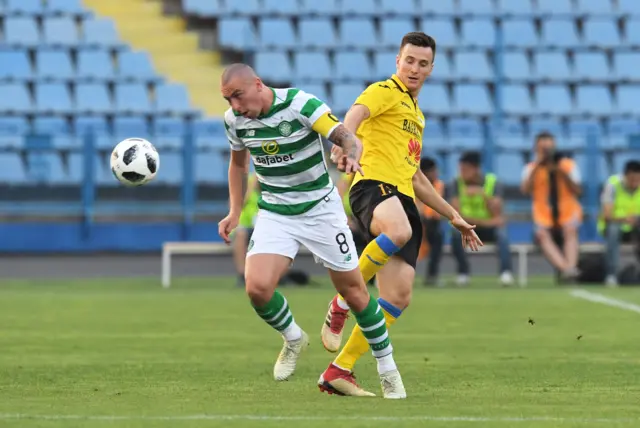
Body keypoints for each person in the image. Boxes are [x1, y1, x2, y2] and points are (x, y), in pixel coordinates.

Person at [217, 63, 406, 398]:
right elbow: (238, 164)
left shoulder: (300, 104)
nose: (234, 106)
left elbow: (345, 136)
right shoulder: (235, 122)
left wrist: (349, 153)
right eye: (228, 99)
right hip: (276, 211)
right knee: (257, 288)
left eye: (238, 96)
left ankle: (387, 369)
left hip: (321, 210)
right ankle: (292, 337)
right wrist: (234, 211)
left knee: (355, 294)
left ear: (257, 84)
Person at [319, 32, 483, 397]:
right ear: (398, 60)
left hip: (403, 197)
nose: (414, 68)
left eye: (422, 64)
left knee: (399, 295)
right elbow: (356, 115)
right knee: (399, 229)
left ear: (430, 69)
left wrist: (452, 214)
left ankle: (339, 370)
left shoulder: (416, 115)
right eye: (409, 60)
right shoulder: (384, 90)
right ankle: (342, 300)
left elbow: (416, 175)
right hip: (372, 186)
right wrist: (345, 142)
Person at [521, 132, 582, 282]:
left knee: (570, 231)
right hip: (544, 215)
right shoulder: (531, 168)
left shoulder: (568, 165)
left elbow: (578, 190)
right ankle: (567, 269)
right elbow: (525, 190)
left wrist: (561, 170)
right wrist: (539, 165)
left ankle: (569, 268)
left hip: (567, 213)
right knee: (542, 235)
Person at [448, 151, 513, 286]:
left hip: (486, 228)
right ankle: (463, 273)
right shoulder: (456, 184)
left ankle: (505, 273)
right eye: (461, 169)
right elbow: (455, 214)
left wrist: (482, 194)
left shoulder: (493, 182)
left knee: (502, 235)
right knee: (454, 235)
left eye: (465, 170)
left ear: (476, 169)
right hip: (467, 228)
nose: (462, 173)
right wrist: (480, 222)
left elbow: (498, 214)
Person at [598, 160, 640, 287]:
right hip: (614, 224)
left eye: (638, 181)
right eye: (632, 180)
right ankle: (612, 274)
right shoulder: (612, 185)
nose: (635, 184)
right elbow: (607, 215)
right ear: (625, 176)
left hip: (636, 225)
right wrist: (624, 219)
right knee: (614, 230)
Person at [337, 172, 376, 287]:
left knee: (370, 246)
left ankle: (369, 277)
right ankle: (350, 277)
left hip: (366, 217)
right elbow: (338, 196)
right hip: (350, 218)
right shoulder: (348, 177)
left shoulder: (369, 175)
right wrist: (346, 218)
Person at [415, 157, 445, 286]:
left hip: (431, 223)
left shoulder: (439, 185)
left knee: (438, 235)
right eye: (433, 171)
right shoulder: (413, 185)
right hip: (415, 222)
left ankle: (432, 276)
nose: (436, 174)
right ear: (425, 173)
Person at [232, 166, 260, 287]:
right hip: (246, 226)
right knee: (241, 234)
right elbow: (237, 204)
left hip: (263, 226)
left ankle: (278, 276)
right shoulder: (246, 182)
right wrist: (251, 185)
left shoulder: (272, 185)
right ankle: (242, 275)